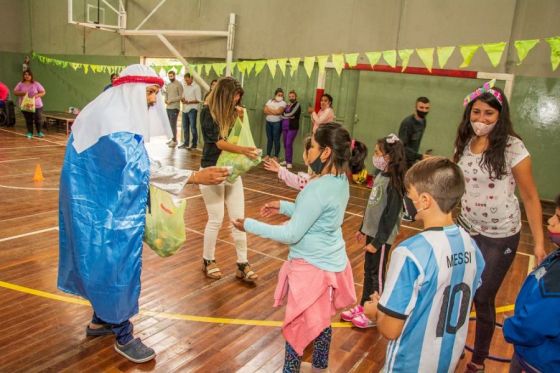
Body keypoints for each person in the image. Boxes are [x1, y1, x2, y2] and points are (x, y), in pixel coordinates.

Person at [58, 64, 229, 364]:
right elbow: (142, 168)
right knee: (117, 264)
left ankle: (101, 320)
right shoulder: (116, 125)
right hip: (108, 208)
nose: (153, 100)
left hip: (95, 203)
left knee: (101, 261)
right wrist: (194, 177)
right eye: (150, 93)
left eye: (155, 93)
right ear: (132, 90)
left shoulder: (105, 111)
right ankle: (123, 334)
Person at [233, 122, 357, 373]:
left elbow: (292, 233)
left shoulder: (318, 188)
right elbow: (318, 216)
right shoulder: (340, 180)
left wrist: (250, 225)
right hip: (331, 264)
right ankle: (320, 367)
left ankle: (291, 370)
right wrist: (283, 205)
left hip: (311, 269)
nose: (306, 153)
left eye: (311, 147)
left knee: (297, 327)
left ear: (325, 153)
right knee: (322, 321)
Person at [453, 81, 547, 373]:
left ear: (500, 116)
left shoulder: (512, 147)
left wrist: (540, 243)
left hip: (499, 236)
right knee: (460, 292)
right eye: (476, 112)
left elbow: (531, 197)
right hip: (468, 229)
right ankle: (454, 347)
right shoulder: (464, 142)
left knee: (482, 297)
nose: (481, 120)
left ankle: (478, 360)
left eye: (489, 115)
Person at [363, 157, 485, 373]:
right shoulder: (471, 246)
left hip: (408, 364)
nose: (406, 201)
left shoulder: (410, 253)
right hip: (447, 361)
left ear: (425, 200)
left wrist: (376, 311)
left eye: (409, 195)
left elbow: (391, 330)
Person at [199, 77, 260, 282]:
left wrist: (242, 118)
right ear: (225, 95)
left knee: (238, 219)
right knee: (215, 218)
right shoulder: (207, 112)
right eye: (234, 96)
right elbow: (219, 143)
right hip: (211, 170)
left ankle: (243, 264)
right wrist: (244, 150)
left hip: (231, 172)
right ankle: (208, 260)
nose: (237, 101)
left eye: (239, 98)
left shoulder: (235, 112)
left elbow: (241, 135)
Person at [342, 134, 406, 329]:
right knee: (368, 271)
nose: (375, 156)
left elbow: (390, 216)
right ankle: (364, 306)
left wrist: (378, 241)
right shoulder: (380, 175)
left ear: (389, 156)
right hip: (372, 233)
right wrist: (363, 228)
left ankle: (375, 313)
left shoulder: (395, 183)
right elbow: (372, 207)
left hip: (381, 238)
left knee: (376, 276)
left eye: (378, 152)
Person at [503, 194, 560, 373]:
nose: (550, 221)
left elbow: (537, 322)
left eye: (558, 218)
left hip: (538, 362)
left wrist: (511, 328)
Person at [398, 96, 431, 169]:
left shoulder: (423, 121)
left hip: (411, 160)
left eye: (427, 108)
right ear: (416, 107)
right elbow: (401, 147)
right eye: (421, 107)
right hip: (402, 161)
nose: (424, 110)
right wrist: (419, 156)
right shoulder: (407, 123)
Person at [13, 70, 45, 139]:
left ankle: (39, 132)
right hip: (25, 105)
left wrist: (37, 95)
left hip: (37, 105)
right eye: (25, 74)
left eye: (28, 75)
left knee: (38, 119)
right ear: (23, 76)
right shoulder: (20, 84)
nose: (27, 76)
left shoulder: (36, 83)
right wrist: (23, 93)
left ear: (31, 76)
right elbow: (15, 92)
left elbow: (43, 92)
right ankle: (30, 133)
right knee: (29, 120)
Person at [263, 88, 287, 161]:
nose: (280, 96)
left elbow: (278, 112)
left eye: (281, 95)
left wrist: (269, 109)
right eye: (278, 95)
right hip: (268, 122)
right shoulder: (270, 101)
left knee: (276, 139)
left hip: (277, 123)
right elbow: (264, 110)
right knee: (269, 139)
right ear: (275, 95)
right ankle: (268, 155)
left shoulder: (283, 103)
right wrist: (274, 111)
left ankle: (276, 156)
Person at [180, 73, 202, 150]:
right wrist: (182, 99)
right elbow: (182, 97)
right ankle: (186, 143)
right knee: (185, 127)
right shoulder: (185, 86)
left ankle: (194, 144)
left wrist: (188, 102)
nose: (186, 81)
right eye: (185, 80)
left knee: (193, 127)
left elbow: (198, 100)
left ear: (191, 78)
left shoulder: (196, 87)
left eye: (187, 79)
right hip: (185, 109)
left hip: (193, 109)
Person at [280, 90, 301, 169]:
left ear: (296, 97)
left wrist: (286, 115)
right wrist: (287, 116)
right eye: (290, 96)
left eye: (293, 96)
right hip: (285, 126)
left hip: (292, 127)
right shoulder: (288, 105)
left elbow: (291, 114)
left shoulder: (297, 105)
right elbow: (282, 115)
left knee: (289, 144)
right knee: (285, 144)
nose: (291, 98)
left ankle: (289, 162)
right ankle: (286, 160)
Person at [163, 70, 183, 147]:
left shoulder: (178, 84)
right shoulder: (168, 85)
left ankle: (174, 141)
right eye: (169, 76)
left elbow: (181, 96)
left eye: (172, 76)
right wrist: (165, 99)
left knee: (173, 124)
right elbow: (166, 94)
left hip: (175, 107)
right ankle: (172, 139)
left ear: (175, 75)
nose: (170, 77)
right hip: (168, 107)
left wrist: (171, 100)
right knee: (169, 125)